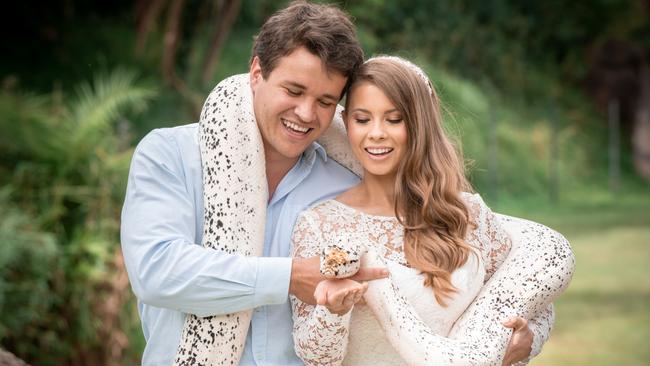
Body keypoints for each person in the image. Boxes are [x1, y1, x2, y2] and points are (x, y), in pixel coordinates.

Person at [121, 1, 547, 365]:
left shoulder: (346, 181)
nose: (306, 114)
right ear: (255, 73)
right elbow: (156, 271)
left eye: (326, 101)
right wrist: (290, 277)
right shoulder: (170, 155)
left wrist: (527, 339)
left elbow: (465, 281)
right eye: (293, 90)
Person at [290, 56, 574, 365]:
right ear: (347, 124)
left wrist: (528, 339)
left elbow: (536, 300)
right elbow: (315, 357)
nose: (376, 133)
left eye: (394, 119)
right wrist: (332, 311)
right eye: (363, 119)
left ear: (418, 125)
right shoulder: (320, 225)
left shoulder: (467, 214)